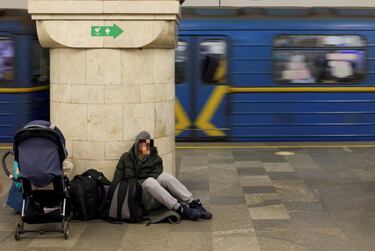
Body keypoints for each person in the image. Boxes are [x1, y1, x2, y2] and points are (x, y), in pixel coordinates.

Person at [112, 131, 212, 221]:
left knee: (165, 176)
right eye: (142, 143)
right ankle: (180, 209)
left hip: (154, 194)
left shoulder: (154, 157)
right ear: (136, 144)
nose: (145, 146)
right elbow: (117, 180)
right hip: (137, 197)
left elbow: (157, 174)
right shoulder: (126, 158)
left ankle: (191, 202)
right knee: (149, 181)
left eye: (148, 143)